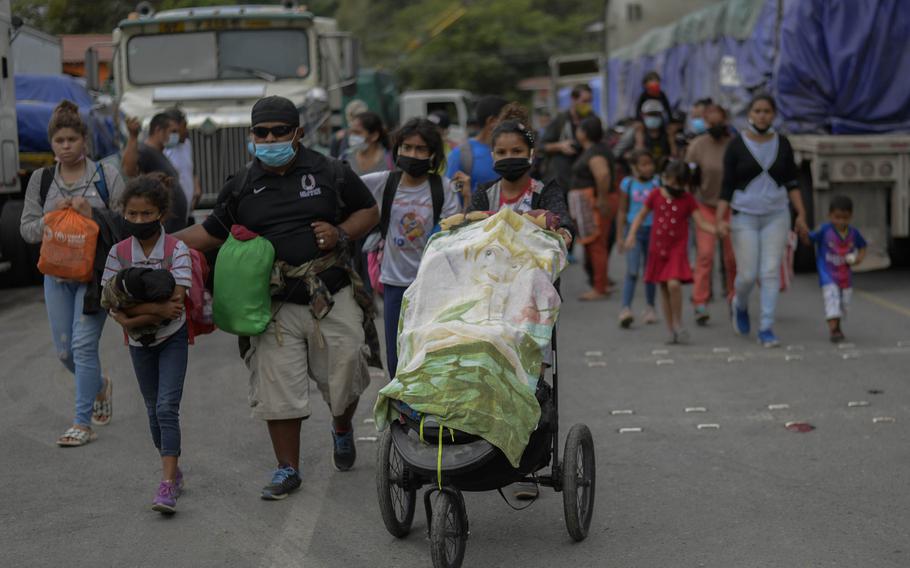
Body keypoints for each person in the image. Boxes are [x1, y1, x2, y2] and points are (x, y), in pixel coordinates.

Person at [176, 96, 380, 499]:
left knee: (346, 375)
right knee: (277, 389)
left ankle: (341, 427)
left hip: (331, 293)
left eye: (279, 131)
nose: (270, 139)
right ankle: (287, 468)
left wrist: (340, 233)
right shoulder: (241, 184)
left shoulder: (330, 172)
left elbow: (369, 211)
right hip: (272, 305)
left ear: (298, 133)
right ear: (252, 136)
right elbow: (212, 232)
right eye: (261, 132)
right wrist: (160, 246)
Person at [19, 100, 125, 447]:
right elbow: (27, 229)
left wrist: (92, 213)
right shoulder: (42, 179)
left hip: (95, 277)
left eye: (72, 139)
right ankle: (99, 386)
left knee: (82, 346)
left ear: (85, 140)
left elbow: (128, 224)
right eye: (59, 141)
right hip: (57, 276)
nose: (66, 146)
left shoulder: (105, 177)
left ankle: (81, 422)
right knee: (64, 352)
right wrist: (52, 221)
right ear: (51, 144)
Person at [101, 174, 192, 514]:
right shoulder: (118, 253)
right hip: (139, 344)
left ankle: (167, 484)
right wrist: (147, 312)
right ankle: (173, 466)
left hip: (172, 338)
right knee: (153, 411)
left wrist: (129, 315)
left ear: (161, 214)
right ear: (124, 213)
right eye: (132, 215)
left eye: (146, 214)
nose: (139, 221)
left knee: (167, 407)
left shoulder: (177, 250)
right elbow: (110, 302)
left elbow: (176, 305)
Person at [360, 118, 461, 377]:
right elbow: (346, 187)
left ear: (432, 155)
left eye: (420, 149)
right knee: (397, 356)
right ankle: (400, 415)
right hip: (395, 285)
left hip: (433, 286)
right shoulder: (383, 182)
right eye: (406, 147)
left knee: (430, 353)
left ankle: (427, 413)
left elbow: (454, 233)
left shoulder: (443, 188)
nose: (412, 154)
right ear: (397, 150)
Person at [716, 93, 810, 348]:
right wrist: (719, 220)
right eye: (757, 111)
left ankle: (766, 327)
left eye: (766, 111)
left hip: (776, 215)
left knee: (770, 272)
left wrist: (801, 214)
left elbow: (792, 182)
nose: (761, 115)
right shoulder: (736, 146)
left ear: (774, 115)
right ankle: (740, 304)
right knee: (747, 275)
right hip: (743, 216)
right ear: (749, 114)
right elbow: (727, 186)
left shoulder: (783, 144)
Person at [624, 160, 715, 345]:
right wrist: (631, 235)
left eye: (679, 184)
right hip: (658, 249)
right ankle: (671, 329)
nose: (675, 187)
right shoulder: (656, 194)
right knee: (664, 288)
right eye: (672, 182)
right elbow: (641, 215)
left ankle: (678, 322)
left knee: (673, 284)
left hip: (677, 249)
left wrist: (717, 230)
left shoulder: (688, 199)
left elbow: (701, 222)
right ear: (665, 178)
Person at [466, 103, 574, 244]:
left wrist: (564, 231)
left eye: (517, 151)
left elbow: (562, 220)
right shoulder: (484, 193)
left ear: (531, 154)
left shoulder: (546, 191)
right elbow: (468, 229)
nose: (509, 157)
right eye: (501, 152)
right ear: (493, 156)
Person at [685, 104, 737, 325]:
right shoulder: (697, 146)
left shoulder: (734, 146)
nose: (715, 127)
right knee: (705, 255)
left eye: (719, 123)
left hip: (731, 206)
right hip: (705, 205)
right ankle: (700, 302)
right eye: (711, 123)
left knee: (732, 257)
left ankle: (735, 298)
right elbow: (689, 178)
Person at [569, 115, 615, 301]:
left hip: (593, 200)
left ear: (585, 133)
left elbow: (603, 175)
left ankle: (600, 287)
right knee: (594, 244)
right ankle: (600, 283)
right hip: (588, 200)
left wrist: (602, 199)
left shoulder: (595, 153)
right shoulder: (592, 149)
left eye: (580, 128)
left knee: (597, 245)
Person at [809, 196, 867, 343]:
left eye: (845, 218)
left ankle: (837, 326)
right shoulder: (825, 230)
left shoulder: (853, 233)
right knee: (832, 298)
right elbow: (810, 238)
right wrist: (802, 230)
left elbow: (863, 246)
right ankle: (833, 330)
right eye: (837, 217)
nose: (841, 221)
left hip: (845, 276)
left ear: (851, 217)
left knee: (843, 304)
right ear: (830, 216)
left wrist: (859, 258)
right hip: (827, 273)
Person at [614, 150, 660, 327]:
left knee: (650, 272)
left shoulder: (657, 183)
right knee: (632, 271)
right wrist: (620, 236)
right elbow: (622, 211)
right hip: (634, 232)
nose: (648, 168)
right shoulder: (628, 183)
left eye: (650, 163)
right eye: (643, 164)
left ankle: (650, 307)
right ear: (634, 167)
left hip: (653, 232)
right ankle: (625, 308)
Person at [121, 113, 189, 233]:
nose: (175, 136)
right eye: (172, 131)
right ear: (158, 130)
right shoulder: (145, 151)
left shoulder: (160, 153)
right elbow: (129, 169)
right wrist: (133, 136)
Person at [446, 95, 508, 199]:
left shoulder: (512, 152)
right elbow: (451, 195)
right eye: (509, 119)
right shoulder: (461, 154)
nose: (514, 124)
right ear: (492, 121)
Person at [539, 84, 594, 191]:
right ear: (573, 99)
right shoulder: (561, 121)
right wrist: (559, 146)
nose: (587, 105)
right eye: (584, 101)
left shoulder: (592, 120)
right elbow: (541, 146)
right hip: (560, 181)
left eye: (590, 101)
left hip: (583, 182)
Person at [162, 108, 202, 216]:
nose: (186, 130)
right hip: (172, 213)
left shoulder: (186, 144)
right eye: (184, 126)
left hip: (188, 210)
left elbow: (191, 170)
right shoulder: (163, 149)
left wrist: (197, 188)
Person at [345, 111, 393, 176]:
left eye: (357, 132)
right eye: (351, 132)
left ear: (374, 136)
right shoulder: (345, 158)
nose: (352, 136)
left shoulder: (390, 161)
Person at [635, 99, 675, 167]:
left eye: (656, 114)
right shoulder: (639, 132)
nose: (653, 117)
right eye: (650, 114)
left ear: (661, 116)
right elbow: (638, 157)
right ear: (643, 116)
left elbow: (674, 156)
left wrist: (671, 138)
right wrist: (639, 137)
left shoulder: (667, 133)